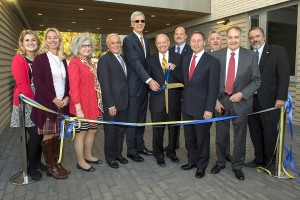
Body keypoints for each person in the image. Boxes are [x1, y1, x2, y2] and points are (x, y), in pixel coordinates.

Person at [210, 26, 261, 180]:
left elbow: (256, 80)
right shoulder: (217, 55)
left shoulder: (250, 56)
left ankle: (237, 165)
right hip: (222, 102)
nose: (233, 40)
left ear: (241, 38)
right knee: (220, 135)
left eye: (236, 37)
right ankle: (220, 162)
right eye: (230, 37)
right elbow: (211, 80)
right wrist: (215, 100)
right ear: (227, 39)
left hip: (241, 102)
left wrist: (242, 94)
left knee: (240, 136)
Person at [245, 27, 290, 174]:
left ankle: (271, 161)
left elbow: (284, 76)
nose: (255, 39)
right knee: (255, 132)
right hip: (252, 101)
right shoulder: (250, 55)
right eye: (252, 38)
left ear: (263, 37)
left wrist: (281, 97)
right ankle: (259, 159)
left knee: (269, 132)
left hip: (271, 101)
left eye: (257, 36)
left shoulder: (277, 51)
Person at [31, 28, 70, 179]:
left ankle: (56, 163)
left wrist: (66, 97)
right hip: (47, 104)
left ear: (60, 40)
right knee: (48, 135)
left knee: (57, 135)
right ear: (46, 40)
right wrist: (54, 99)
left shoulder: (63, 59)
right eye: (50, 38)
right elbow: (38, 84)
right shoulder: (40, 59)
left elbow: (67, 82)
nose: (53, 40)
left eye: (56, 38)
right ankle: (51, 167)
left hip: (62, 104)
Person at [180, 31, 220, 179]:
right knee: (189, 137)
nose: (196, 44)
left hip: (203, 109)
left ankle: (201, 166)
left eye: (199, 41)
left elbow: (213, 87)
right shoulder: (185, 59)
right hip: (187, 107)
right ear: (190, 43)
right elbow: (186, 83)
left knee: (202, 138)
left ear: (204, 43)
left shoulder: (212, 62)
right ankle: (192, 161)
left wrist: (209, 109)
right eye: (193, 41)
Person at [123, 11, 159, 162]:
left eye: (142, 21)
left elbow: (147, 63)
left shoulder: (145, 38)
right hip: (134, 87)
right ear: (131, 23)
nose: (140, 23)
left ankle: (140, 146)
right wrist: (149, 80)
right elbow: (136, 64)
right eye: (136, 21)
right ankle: (131, 150)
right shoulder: (128, 40)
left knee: (141, 118)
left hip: (144, 88)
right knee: (132, 119)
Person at [10, 30, 47, 181]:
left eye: (33, 40)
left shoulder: (39, 59)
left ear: (37, 42)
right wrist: (36, 102)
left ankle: (37, 162)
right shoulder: (19, 59)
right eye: (27, 40)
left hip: (40, 100)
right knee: (35, 135)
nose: (30, 43)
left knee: (40, 134)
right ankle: (31, 167)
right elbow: (23, 84)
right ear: (22, 43)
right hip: (26, 101)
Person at [68, 33, 103, 172]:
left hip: (93, 104)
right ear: (77, 47)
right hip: (81, 105)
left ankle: (88, 155)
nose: (87, 48)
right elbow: (73, 88)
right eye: (83, 45)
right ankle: (80, 161)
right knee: (81, 133)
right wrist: (78, 109)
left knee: (92, 130)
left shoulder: (90, 62)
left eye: (89, 45)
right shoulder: (74, 63)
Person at [146, 34, 182, 167]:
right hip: (157, 102)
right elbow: (146, 79)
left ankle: (172, 153)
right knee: (158, 129)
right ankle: (158, 154)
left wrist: (175, 68)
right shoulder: (150, 60)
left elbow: (183, 77)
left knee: (174, 129)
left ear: (169, 42)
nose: (161, 45)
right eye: (158, 43)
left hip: (174, 101)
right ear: (156, 45)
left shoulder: (178, 58)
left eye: (164, 42)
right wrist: (150, 83)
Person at [97, 33, 129, 169]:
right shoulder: (104, 60)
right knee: (111, 132)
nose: (116, 45)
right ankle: (110, 157)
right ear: (108, 45)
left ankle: (118, 154)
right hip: (112, 104)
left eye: (118, 42)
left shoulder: (123, 58)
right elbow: (105, 84)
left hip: (124, 101)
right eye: (113, 43)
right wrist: (110, 104)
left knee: (121, 130)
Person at [208, 30, 233, 163]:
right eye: (213, 39)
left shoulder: (228, 56)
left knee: (224, 128)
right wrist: (213, 100)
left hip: (223, 99)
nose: (216, 41)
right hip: (207, 100)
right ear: (209, 42)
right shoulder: (205, 56)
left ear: (221, 40)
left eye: (218, 38)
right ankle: (203, 153)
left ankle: (226, 153)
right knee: (204, 129)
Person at [167, 26, 192, 149]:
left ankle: (190, 148)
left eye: (181, 34)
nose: (178, 36)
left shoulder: (192, 50)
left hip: (188, 93)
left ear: (186, 36)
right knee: (173, 121)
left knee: (188, 124)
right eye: (176, 34)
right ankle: (172, 145)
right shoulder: (169, 50)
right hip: (173, 92)